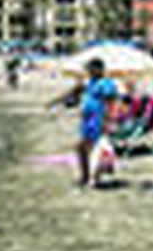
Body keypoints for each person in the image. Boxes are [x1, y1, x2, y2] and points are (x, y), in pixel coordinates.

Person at [50, 58, 120, 188]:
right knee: (86, 149)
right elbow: (73, 93)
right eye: (88, 69)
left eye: (91, 69)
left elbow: (110, 103)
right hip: (87, 120)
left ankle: (88, 177)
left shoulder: (106, 84)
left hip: (98, 120)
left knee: (84, 148)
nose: (89, 71)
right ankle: (89, 177)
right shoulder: (90, 83)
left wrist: (107, 121)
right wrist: (56, 102)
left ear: (99, 69)